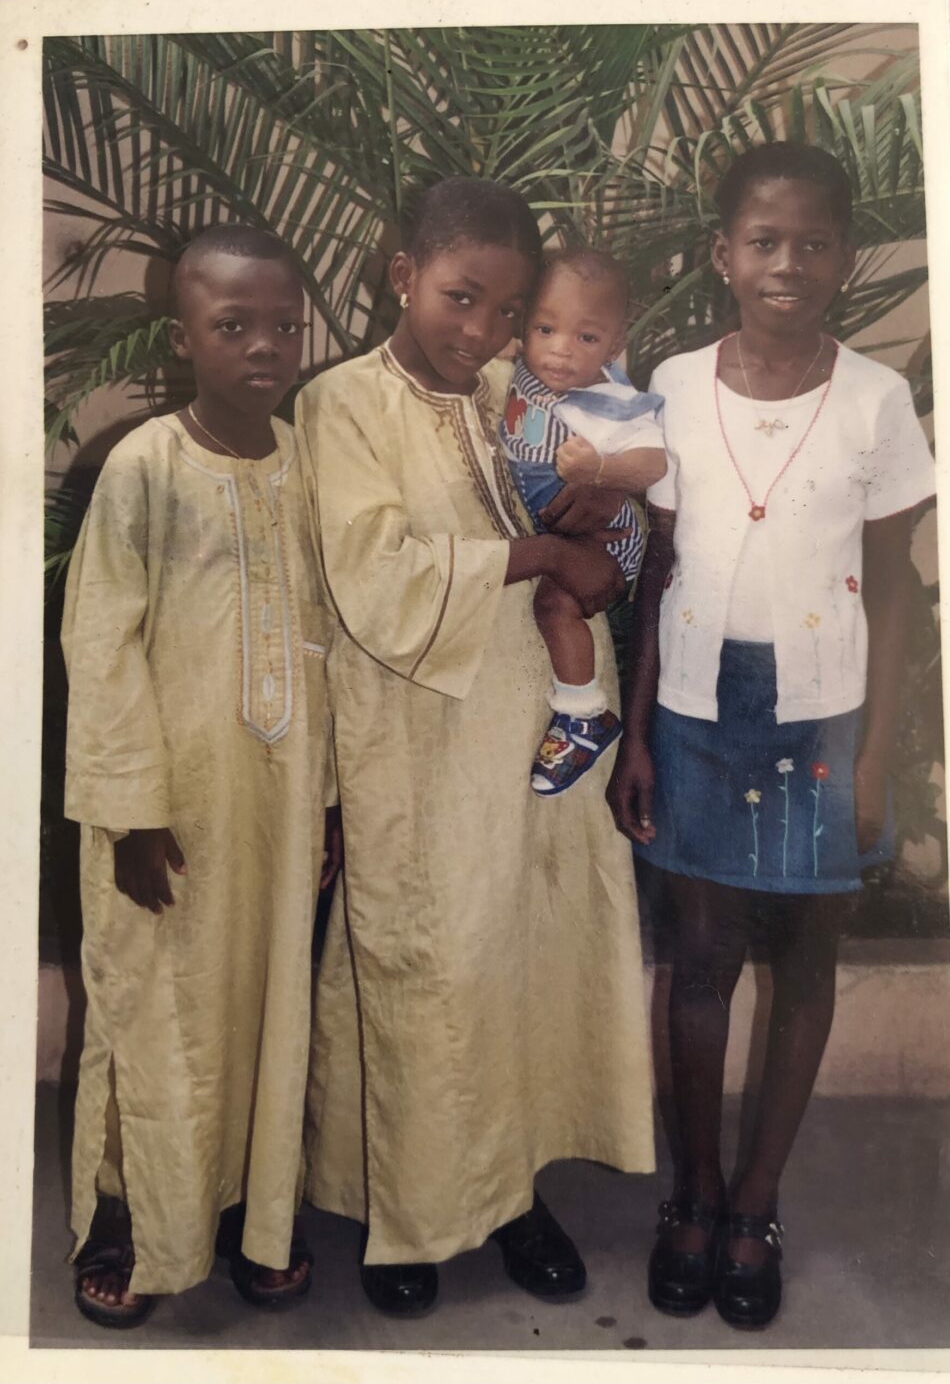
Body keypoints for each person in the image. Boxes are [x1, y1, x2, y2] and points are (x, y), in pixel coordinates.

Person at [297, 177, 655, 1317]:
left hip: (534, 725)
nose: (482, 331)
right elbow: (375, 575)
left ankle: (514, 1195)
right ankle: (406, 1216)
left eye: (505, 310)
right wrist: (543, 562)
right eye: (459, 297)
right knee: (426, 969)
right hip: (415, 734)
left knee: (524, 964)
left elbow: (597, 484)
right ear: (397, 274)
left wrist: (597, 529)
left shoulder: (515, 390)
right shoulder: (342, 405)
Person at [607, 141, 936, 1329]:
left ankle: (754, 1202)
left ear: (841, 259)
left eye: (809, 243)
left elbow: (895, 588)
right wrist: (636, 732)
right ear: (721, 255)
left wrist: (871, 751)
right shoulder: (675, 380)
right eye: (761, 240)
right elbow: (651, 576)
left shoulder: (873, 399)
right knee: (697, 960)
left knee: (801, 957)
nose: (784, 262)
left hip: (822, 714)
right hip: (697, 707)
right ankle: (687, 1195)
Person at [62, 225, 341, 1327]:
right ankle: (133, 1219)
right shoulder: (144, 466)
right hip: (169, 815)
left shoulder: (308, 459)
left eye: (283, 324)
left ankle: (254, 1217)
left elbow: (323, 635)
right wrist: (131, 813)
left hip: (278, 805)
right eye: (233, 326)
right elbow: (102, 643)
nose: (264, 346)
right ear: (184, 339)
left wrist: (326, 804)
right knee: (158, 1012)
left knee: (266, 1010)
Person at [497, 247, 667, 795]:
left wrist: (602, 469)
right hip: (557, 527)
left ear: (615, 346)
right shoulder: (518, 372)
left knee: (554, 604)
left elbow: (654, 463)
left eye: (586, 339)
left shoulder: (612, 400)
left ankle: (582, 712)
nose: (561, 351)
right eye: (546, 328)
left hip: (607, 536)